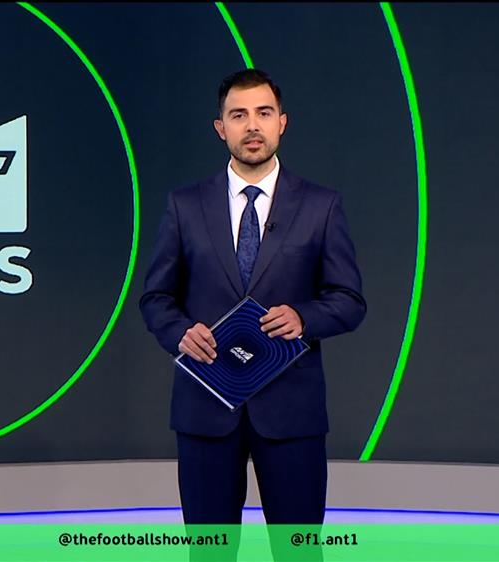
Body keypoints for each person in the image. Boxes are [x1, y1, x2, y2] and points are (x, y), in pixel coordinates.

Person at [139, 69, 366, 558]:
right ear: (220, 128)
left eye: (263, 113)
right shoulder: (184, 206)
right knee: (210, 552)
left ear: (282, 122)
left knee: (298, 551)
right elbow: (155, 298)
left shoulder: (321, 206)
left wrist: (304, 318)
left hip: (291, 412)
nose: (252, 125)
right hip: (206, 408)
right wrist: (180, 333)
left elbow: (349, 300)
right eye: (238, 115)